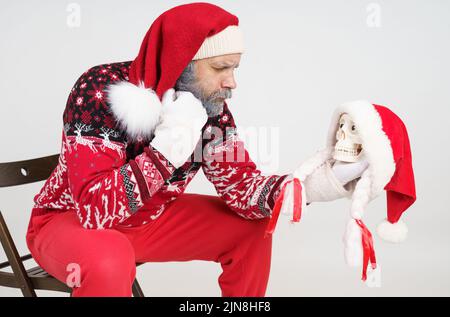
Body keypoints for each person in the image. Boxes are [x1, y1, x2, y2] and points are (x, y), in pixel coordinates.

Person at [25, 2, 366, 297]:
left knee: (252, 228)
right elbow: (94, 210)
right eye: (220, 68)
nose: (232, 82)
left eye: (234, 68)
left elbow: (243, 190)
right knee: (109, 255)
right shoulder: (99, 89)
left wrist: (320, 182)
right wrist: (168, 149)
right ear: (181, 63)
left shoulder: (210, 108)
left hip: (148, 220)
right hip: (69, 222)